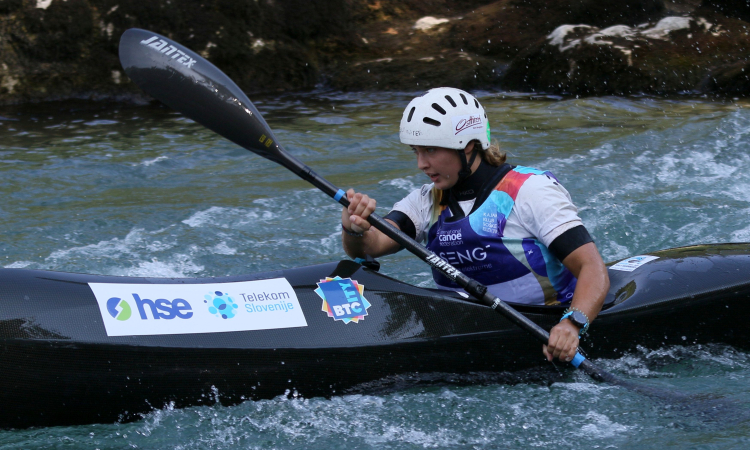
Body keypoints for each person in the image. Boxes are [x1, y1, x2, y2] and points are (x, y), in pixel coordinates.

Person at [341, 87, 609, 363]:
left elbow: (592, 266)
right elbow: (371, 246)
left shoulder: (529, 191)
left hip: (544, 323)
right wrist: (355, 226)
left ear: (468, 145)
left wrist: (573, 324)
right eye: (416, 151)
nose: (421, 163)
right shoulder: (425, 200)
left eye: (431, 150)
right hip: (465, 329)